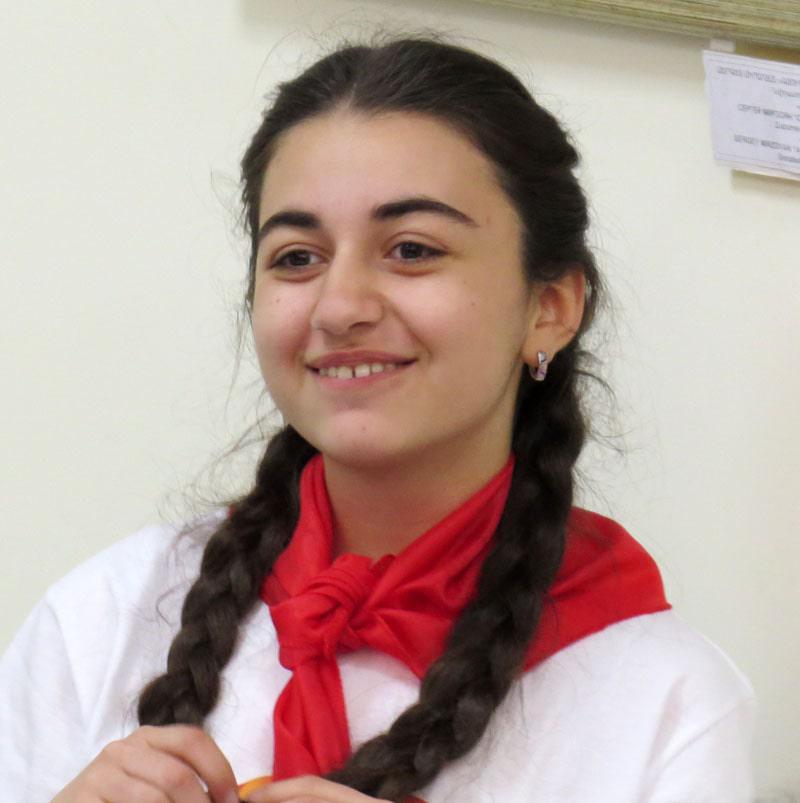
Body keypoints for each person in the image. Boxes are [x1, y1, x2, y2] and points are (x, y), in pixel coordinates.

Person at [0, 36, 755, 803]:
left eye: (412, 249)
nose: (339, 307)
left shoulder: (665, 701)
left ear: (550, 307)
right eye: (297, 257)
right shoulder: (100, 618)